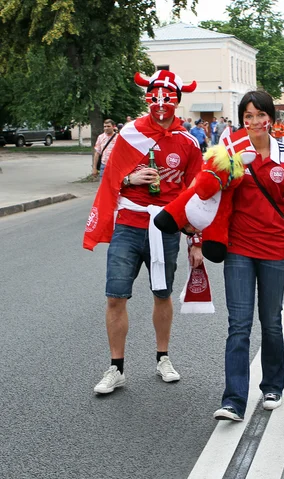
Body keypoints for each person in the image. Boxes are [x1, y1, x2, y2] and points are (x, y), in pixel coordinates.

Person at [83, 70, 204, 394]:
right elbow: (110, 177)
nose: (161, 102)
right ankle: (116, 368)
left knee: (162, 294)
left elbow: (197, 194)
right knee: (115, 296)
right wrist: (129, 179)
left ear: (177, 99)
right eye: (156, 95)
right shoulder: (130, 133)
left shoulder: (188, 142)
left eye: (168, 96)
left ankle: (163, 358)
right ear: (147, 96)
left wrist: (196, 240)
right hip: (128, 224)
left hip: (165, 227)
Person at [213, 91, 284, 421]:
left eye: (260, 115)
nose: (255, 122)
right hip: (238, 248)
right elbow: (208, 190)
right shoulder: (228, 150)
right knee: (239, 325)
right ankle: (233, 400)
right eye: (248, 116)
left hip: (276, 248)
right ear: (242, 119)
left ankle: (273, 384)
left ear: (271, 118)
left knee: (271, 322)